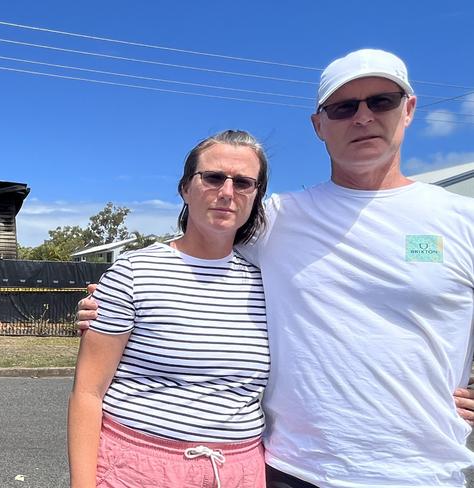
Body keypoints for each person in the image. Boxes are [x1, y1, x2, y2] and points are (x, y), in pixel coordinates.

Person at [77, 49, 474, 487]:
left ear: (409, 109)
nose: (363, 117)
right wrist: (109, 301)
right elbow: (199, 251)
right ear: (319, 125)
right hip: (292, 469)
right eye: (343, 107)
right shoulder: (276, 219)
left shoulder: (462, 221)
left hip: (421, 471)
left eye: (381, 100)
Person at [68, 130, 271, 488]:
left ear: (256, 196)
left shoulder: (268, 284)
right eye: (212, 177)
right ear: (185, 188)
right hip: (140, 469)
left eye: (243, 182)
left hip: (240, 471)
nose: (227, 192)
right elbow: (88, 393)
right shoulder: (133, 272)